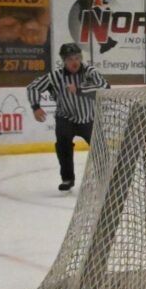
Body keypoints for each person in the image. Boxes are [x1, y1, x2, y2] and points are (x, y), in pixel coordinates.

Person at [26, 43, 109, 191]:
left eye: (77, 58)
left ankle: (104, 178)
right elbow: (33, 87)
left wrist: (80, 89)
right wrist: (36, 107)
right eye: (70, 59)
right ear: (64, 61)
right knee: (63, 146)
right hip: (65, 117)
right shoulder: (55, 76)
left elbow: (105, 87)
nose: (74, 62)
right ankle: (67, 178)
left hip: (89, 118)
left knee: (99, 148)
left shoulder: (90, 72)